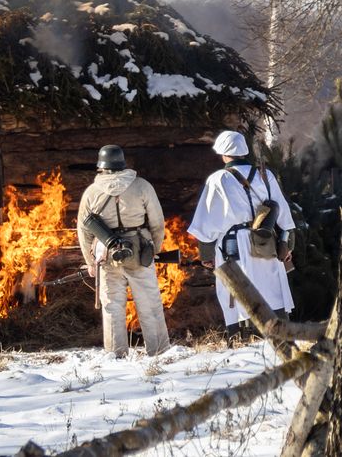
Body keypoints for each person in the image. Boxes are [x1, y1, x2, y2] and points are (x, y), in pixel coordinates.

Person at [188, 130, 295, 342]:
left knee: (238, 289)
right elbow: (284, 215)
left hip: (233, 244)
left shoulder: (218, 179)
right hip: (266, 241)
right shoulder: (266, 175)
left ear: (223, 154)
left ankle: (243, 338)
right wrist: (287, 244)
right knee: (270, 285)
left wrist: (206, 254)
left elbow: (206, 221)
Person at [77, 144, 171, 357]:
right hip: (139, 250)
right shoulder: (142, 186)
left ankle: (116, 353)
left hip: (107, 253)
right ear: (122, 163)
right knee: (149, 304)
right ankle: (159, 351)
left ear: (101, 166)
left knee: (112, 307)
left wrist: (90, 261)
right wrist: (154, 249)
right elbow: (157, 222)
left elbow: (84, 230)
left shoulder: (91, 192)